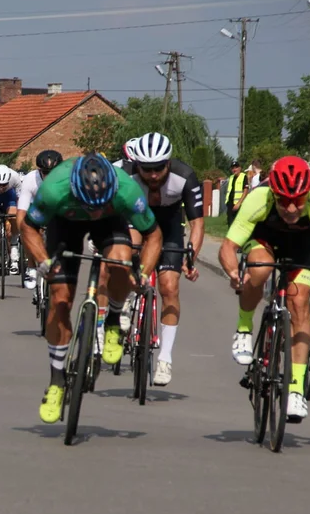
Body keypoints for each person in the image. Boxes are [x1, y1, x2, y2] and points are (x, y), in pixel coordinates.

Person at [20, 153, 161, 423]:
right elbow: (29, 228)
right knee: (60, 299)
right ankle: (57, 380)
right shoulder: (53, 190)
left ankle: (113, 320)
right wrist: (42, 261)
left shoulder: (126, 190)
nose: (94, 210)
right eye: (89, 204)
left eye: (100, 204)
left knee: (120, 261)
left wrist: (142, 273)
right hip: (65, 223)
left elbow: (154, 235)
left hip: (110, 223)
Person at [219, 156, 310, 422]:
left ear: (308, 195)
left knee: (300, 303)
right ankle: (244, 329)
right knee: (260, 268)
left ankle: (295, 390)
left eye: (298, 200)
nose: (291, 208)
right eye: (283, 200)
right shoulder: (259, 198)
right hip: (264, 240)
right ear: (274, 194)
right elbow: (228, 247)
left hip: (302, 247)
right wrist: (233, 272)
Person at [130, 132, 204, 387]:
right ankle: (126, 303)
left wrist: (190, 258)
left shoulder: (184, 176)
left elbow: (196, 223)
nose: (152, 175)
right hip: (138, 221)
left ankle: (165, 358)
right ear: (136, 164)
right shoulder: (126, 176)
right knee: (127, 257)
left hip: (171, 225)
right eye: (146, 169)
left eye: (158, 168)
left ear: (168, 163)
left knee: (169, 287)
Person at [16, 150, 64, 291]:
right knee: (27, 231)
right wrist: (23, 233)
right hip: (36, 207)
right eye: (45, 172)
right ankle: (31, 268)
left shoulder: (66, 180)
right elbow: (22, 211)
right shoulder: (31, 180)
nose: (48, 176)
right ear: (39, 171)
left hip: (56, 208)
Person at [224, 159, 249, 227]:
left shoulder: (243, 176)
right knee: (230, 224)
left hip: (238, 205)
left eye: (236, 167)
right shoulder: (231, 177)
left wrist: (239, 203)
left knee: (238, 225)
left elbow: (245, 191)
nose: (234, 169)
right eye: (232, 168)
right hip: (230, 204)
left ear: (240, 168)